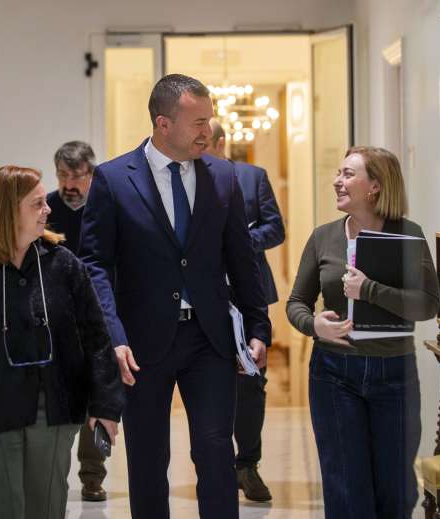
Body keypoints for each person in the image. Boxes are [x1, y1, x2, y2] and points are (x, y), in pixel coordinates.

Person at [79, 73, 272, 519]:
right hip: (142, 343)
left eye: (210, 120)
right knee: (148, 457)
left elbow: (242, 259)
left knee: (215, 450)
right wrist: (113, 337)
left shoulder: (223, 176)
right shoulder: (113, 179)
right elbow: (95, 266)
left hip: (210, 338)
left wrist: (258, 327)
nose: (209, 130)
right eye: (198, 122)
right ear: (163, 124)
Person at [0, 165, 125, 519]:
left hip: (55, 410)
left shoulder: (64, 265)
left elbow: (96, 338)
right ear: (8, 211)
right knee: (4, 508)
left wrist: (106, 406)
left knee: (48, 507)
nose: (48, 209)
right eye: (37, 204)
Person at [286, 147, 439, 519]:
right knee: (345, 487)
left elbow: (427, 305)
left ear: (375, 186)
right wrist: (314, 325)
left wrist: (369, 290)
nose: (337, 181)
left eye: (348, 174)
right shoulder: (323, 238)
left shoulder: (408, 235)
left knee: (396, 490)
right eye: (338, 173)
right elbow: (296, 303)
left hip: (395, 374)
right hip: (333, 374)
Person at [202, 119, 284, 502]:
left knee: (251, 383)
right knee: (209, 383)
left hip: (248, 294)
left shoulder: (253, 177)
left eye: (205, 142)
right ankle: (215, 466)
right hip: (205, 296)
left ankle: (248, 465)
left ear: (221, 143)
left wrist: (238, 239)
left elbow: (275, 229)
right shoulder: (185, 179)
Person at [45, 140, 110, 502]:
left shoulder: (106, 204)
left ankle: (92, 476)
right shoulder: (46, 208)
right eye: (62, 175)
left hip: (98, 314)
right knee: (62, 397)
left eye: (76, 176)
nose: (68, 184)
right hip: (57, 316)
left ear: (92, 173)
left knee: (97, 396)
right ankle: (54, 477)